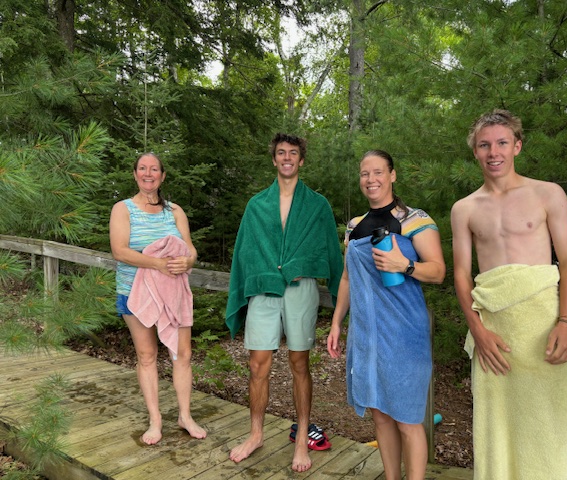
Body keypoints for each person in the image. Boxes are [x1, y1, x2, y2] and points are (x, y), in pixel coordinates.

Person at [450, 109, 567, 479]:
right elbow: (462, 274)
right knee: (499, 428)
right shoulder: (464, 209)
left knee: (551, 426)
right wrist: (478, 331)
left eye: (502, 143)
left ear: (517, 146)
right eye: (484, 145)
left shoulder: (547, 194)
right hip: (495, 333)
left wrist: (566, 322)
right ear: (475, 152)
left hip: (544, 328)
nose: (493, 152)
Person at [225, 133, 344, 472]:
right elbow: (244, 251)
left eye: (293, 153)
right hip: (264, 290)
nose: (287, 158)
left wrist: (339, 302)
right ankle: (256, 434)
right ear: (274, 159)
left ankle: (303, 437)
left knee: (299, 364)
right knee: (257, 364)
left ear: (301, 160)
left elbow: (330, 252)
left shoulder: (317, 204)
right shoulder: (257, 204)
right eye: (281, 153)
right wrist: (243, 288)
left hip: (300, 289)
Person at [327, 150, 446, 480]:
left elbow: (437, 271)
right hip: (367, 333)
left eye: (378, 172)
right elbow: (348, 278)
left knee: (408, 417)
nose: (371, 179)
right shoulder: (354, 226)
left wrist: (403, 265)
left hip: (405, 332)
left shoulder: (414, 219)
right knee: (379, 413)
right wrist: (337, 321)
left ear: (392, 175)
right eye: (365, 174)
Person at [109, 152, 207, 446]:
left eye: (154, 169)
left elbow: (191, 250)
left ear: (162, 176)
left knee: (183, 355)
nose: (148, 173)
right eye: (142, 168)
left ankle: (185, 416)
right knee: (147, 356)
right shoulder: (123, 209)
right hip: (135, 293)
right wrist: (159, 264)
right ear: (135, 174)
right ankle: (155, 420)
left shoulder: (175, 211)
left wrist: (186, 263)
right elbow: (120, 251)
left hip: (173, 294)